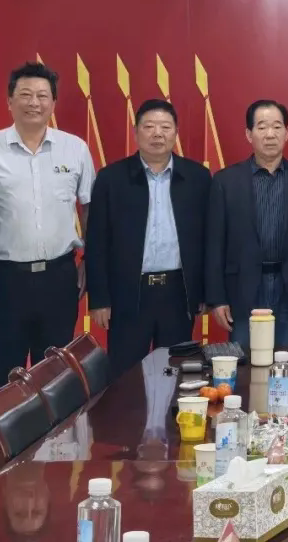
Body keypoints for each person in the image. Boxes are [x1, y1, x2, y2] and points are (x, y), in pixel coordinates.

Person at [0, 62, 95, 389]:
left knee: (56, 378)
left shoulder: (75, 148)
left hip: (59, 278)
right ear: (9, 101)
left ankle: (56, 428)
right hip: (5, 281)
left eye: (42, 95)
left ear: (53, 102)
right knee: (5, 380)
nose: (34, 103)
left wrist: (89, 260)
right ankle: (6, 427)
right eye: (25, 95)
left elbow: (89, 209)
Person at [85, 100, 211, 377]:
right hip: (128, 293)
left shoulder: (198, 178)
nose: (157, 134)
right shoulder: (111, 178)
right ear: (136, 132)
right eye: (149, 126)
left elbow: (207, 241)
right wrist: (99, 298)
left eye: (165, 127)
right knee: (125, 376)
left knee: (177, 375)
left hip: (178, 293)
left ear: (175, 132)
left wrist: (204, 291)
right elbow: (96, 243)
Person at [206, 100, 288, 348]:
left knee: (287, 363)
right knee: (245, 363)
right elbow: (214, 244)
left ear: (287, 133)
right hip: (243, 291)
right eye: (262, 127)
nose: (270, 134)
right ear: (248, 134)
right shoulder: (226, 181)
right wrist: (217, 298)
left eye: (277, 127)